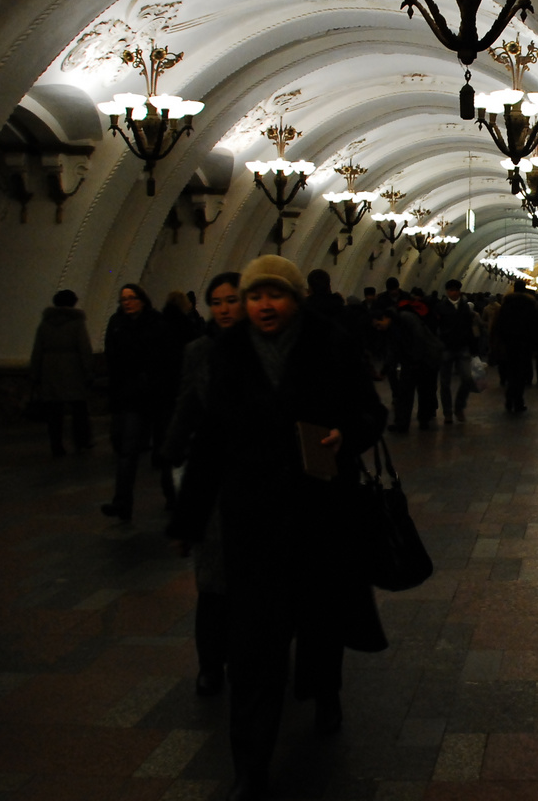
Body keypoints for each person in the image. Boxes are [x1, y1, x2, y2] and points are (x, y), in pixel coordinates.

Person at [169, 256, 388, 801]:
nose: (263, 306)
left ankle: (327, 691)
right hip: (254, 522)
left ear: (295, 299)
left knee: (321, 621)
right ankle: (250, 765)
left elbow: (369, 412)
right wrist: (189, 517)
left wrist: (347, 434)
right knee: (254, 648)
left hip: (320, 513)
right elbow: (212, 440)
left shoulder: (330, 344)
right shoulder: (229, 352)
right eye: (254, 297)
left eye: (275, 296)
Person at [160, 272, 242, 699]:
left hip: (258, 483)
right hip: (213, 480)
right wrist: (170, 454)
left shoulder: (264, 349)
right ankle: (210, 665)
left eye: (232, 300)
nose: (225, 309)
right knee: (213, 582)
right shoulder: (200, 352)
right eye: (217, 302)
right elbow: (187, 405)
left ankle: (255, 657)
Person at [101, 283, 176, 521]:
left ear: (142, 300)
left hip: (158, 396)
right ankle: (122, 502)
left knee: (165, 449)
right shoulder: (117, 325)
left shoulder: (158, 324)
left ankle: (173, 496)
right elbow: (112, 360)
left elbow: (169, 360)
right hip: (131, 398)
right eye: (124, 299)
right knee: (128, 451)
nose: (127, 302)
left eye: (132, 298)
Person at [29, 289, 95, 456]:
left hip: (50, 369)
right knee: (78, 408)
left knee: (54, 411)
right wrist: (89, 371)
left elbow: (37, 351)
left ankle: (56, 445)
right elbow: (84, 348)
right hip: (73, 369)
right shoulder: (77, 323)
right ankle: (81, 441)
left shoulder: (45, 324)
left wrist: (35, 374)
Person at [372, 299, 444, 432]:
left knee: (425, 390)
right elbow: (392, 352)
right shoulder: (391, 329)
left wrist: (415, 361)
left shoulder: (406, 317)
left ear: (385, 318)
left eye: (378, 324)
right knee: (404, 392)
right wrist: (384, 371)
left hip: (427, 358)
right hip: (411, 361)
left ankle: (424, 420)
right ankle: (402, 423)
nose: (378, 328)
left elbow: (420, 338)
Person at [491, 281, 538, 415]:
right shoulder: (530, 305)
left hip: (508, 343)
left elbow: (499, 324)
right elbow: (534, 326)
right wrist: (535, 344)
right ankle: (518, 401)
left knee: (511, 371)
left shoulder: (505, 304)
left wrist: (498, 341)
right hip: (524, 343)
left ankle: (509, 399)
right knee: (520, 373)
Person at [435, 279, 478, 424]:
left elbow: (469, 327)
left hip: (463, 347)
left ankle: (459, 407)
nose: (454, 292)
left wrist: (473, 347)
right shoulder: (440, 307)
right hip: (446, 348)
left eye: (456, 290)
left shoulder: (465, 307)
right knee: (445, 382)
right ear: (447, 292)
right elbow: (436, 328)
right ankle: (447, 412)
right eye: (451, 290)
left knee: (467, 378)